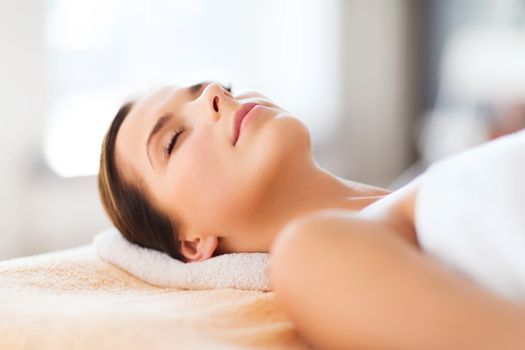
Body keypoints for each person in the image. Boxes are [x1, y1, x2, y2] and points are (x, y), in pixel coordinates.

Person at [98, 81, 525, 349]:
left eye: (222, 84)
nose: (216, 93)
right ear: (191, 242)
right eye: (173, 139)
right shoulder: (310, 254)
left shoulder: (424, 188)